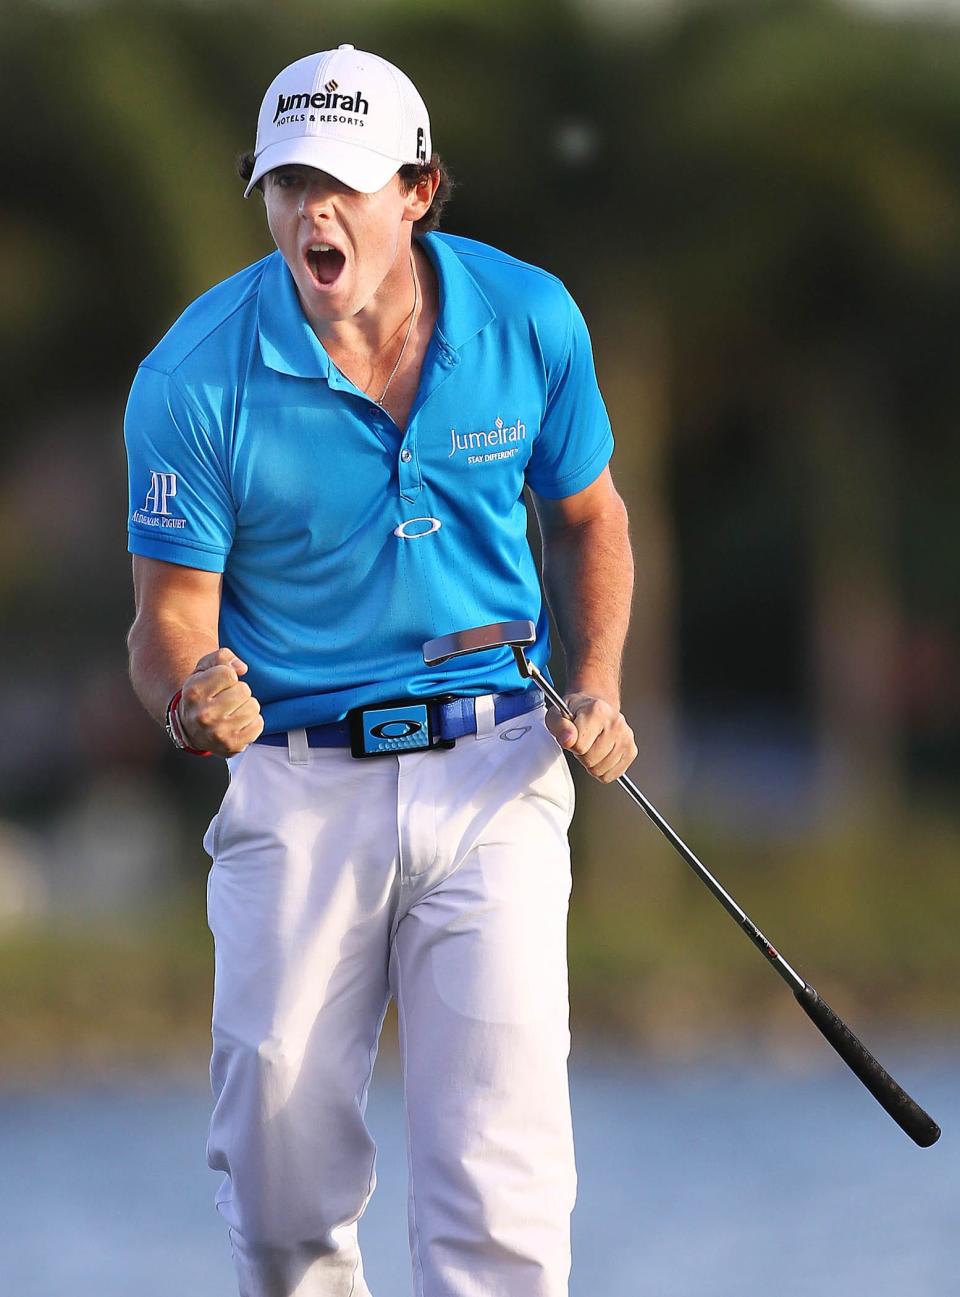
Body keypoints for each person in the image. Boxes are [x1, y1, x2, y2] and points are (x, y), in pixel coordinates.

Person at [124, 43, 635, 1297]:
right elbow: (167, 621)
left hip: (497, 764)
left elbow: (588, 519)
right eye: (289, 181)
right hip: (299, 785)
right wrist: (194, 696)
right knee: (282, 1188)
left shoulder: (529, 319)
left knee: (501, 1195)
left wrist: (602, 679)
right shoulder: (194, 377)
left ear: (417, 191)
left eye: (343, 182)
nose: (314, 209)